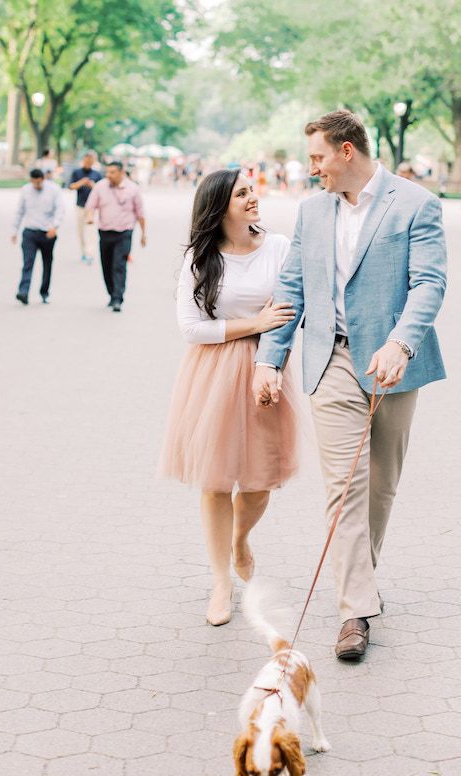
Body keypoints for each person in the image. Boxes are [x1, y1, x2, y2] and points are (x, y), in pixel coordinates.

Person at [252, 110, 447, 661]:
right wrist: (271, 360)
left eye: (317, 158)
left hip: (393, 364)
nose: (311, 169)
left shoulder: (415, 204)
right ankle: (355, 611)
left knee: (381, 484)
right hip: (330, 359)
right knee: (346, 486)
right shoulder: (311, 212)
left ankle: (361, 581)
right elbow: (291, 288)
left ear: (345, 152)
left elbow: (429, 282)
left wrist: (401, 342)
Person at [158, 169, 299, 626]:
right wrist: (253, 324)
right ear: (219, 207)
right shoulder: (201, 259)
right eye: (242, 194)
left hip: (266, 369)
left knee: (259, 480)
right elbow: (190, 328)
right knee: (216, 480)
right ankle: (221, 582)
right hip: (213, 372)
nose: (254, 198)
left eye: (252, 190)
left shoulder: (278, 248)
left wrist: (272, 356)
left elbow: (292, 309)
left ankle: (239, 539)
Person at [85, 161, 146, 312]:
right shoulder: (100, 186)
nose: (108, 175)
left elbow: (140, 213)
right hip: (105, 232)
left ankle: (118, 298)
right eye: (107, 172)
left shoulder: (133, 188)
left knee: (118, 265)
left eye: (112, 172)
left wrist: (144, 234)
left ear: (121, 172)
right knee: (106, 265)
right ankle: (112, 294)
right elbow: (90, 205)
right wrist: (89, 217)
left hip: (124, 233)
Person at [11, 168, 65, 305]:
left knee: (47, 263)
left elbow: (60, 209)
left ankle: (44, 292)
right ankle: (23, 291)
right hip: (30, 231)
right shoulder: (26, 190)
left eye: (39, 182)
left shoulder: (54, 190)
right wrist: (14, 231)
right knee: (27, 263)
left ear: (43, 179)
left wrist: (55, 225)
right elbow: (20, 211)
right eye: (34, 182)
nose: (37, 185)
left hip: (48, 232)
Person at [69, 151, 102, 264]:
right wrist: (82, 182)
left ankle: (90, 253)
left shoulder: (97, 174)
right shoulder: (77, 172)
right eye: (87, 159)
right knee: (81, 231)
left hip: (92, 208)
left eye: (91, 159)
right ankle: (83, 252)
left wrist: (93, 185)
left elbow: (102, 190)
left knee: (91, 231)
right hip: (80, 205)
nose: (88, 162)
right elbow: (71, 186)